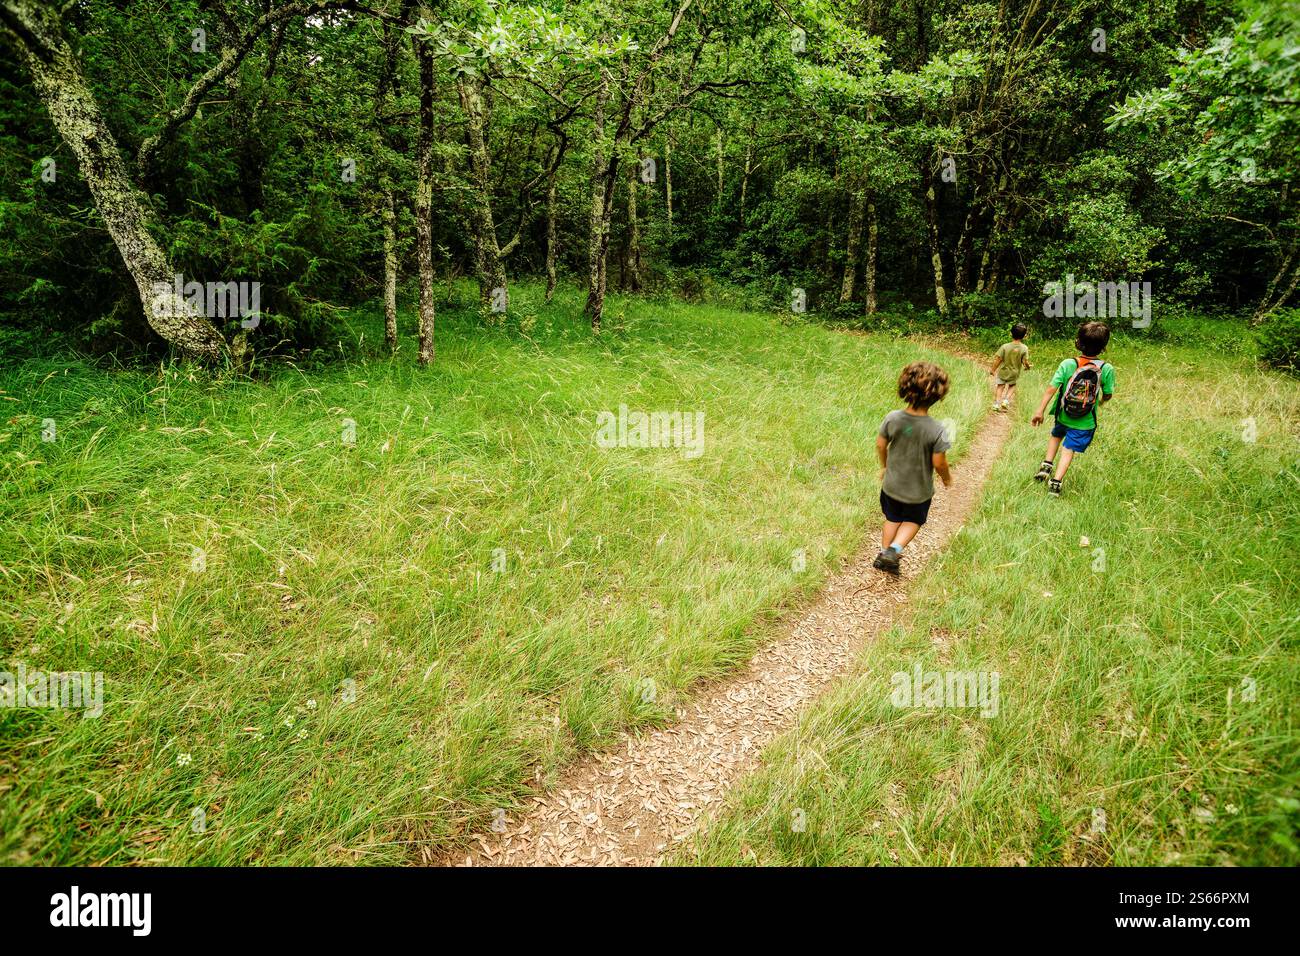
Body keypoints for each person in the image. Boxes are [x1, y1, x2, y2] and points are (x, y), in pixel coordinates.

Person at [874, 361, 954, 574]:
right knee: (913, 520)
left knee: (892, 518)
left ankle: (883, 553)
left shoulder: (892, 418)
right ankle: (894, 549)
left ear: (905, 387)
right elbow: (939, 462)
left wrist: (884, 466)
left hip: (891, 485)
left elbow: (881, 444)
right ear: (938, 395)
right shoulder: (937, 430)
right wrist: (946, 478)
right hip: (918, 492)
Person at [1031, 321, 1116, 496]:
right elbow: (1107, 393)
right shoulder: (1106, 368)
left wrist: (1039, 410)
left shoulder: (1068, 363)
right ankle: (1056, 482)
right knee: (1068, 449)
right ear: (1103, 347)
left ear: (1079, 342)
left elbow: (1051, 389)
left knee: (1056, 435)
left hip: (1063, 414)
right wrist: (1102, 401)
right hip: (1084, 421)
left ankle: (1047, 465)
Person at [989, 323, 1031, 412]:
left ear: (1011, 333)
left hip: (1003, 371)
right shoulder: (1024, 348)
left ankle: (997, 403)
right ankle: (1006, 400)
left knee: (1000, 386)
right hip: (1014, 373)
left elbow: (998, 360)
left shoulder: (1005, 346)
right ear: (1024, 336)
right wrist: (1027, 367)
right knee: (1012, 385)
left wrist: (993, 370)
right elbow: (1025, 362)